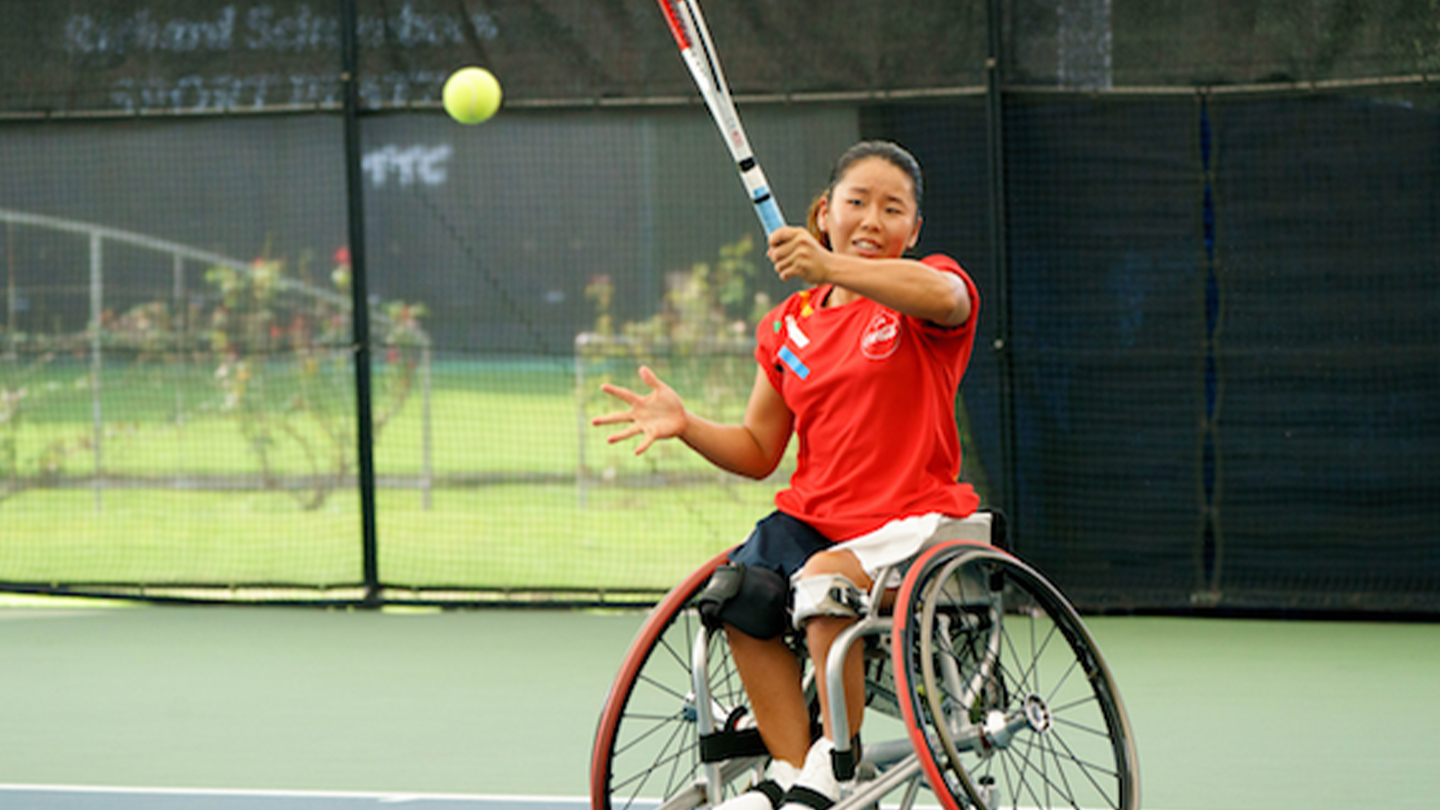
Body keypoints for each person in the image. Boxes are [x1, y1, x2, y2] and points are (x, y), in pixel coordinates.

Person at [593, 141, 980, 810]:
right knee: (739, 592)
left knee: (824, 584)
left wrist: (830, 265)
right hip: (811, 518)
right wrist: (686, 424)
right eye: (856, 202)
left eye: (894, 210)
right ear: (824, 212)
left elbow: (946, 295)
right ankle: (791, 772)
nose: (872, 220)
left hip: (911, 523)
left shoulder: (922, 297)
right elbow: (756, 448)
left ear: (913, 232)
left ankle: (839, 767)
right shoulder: (786, 328)